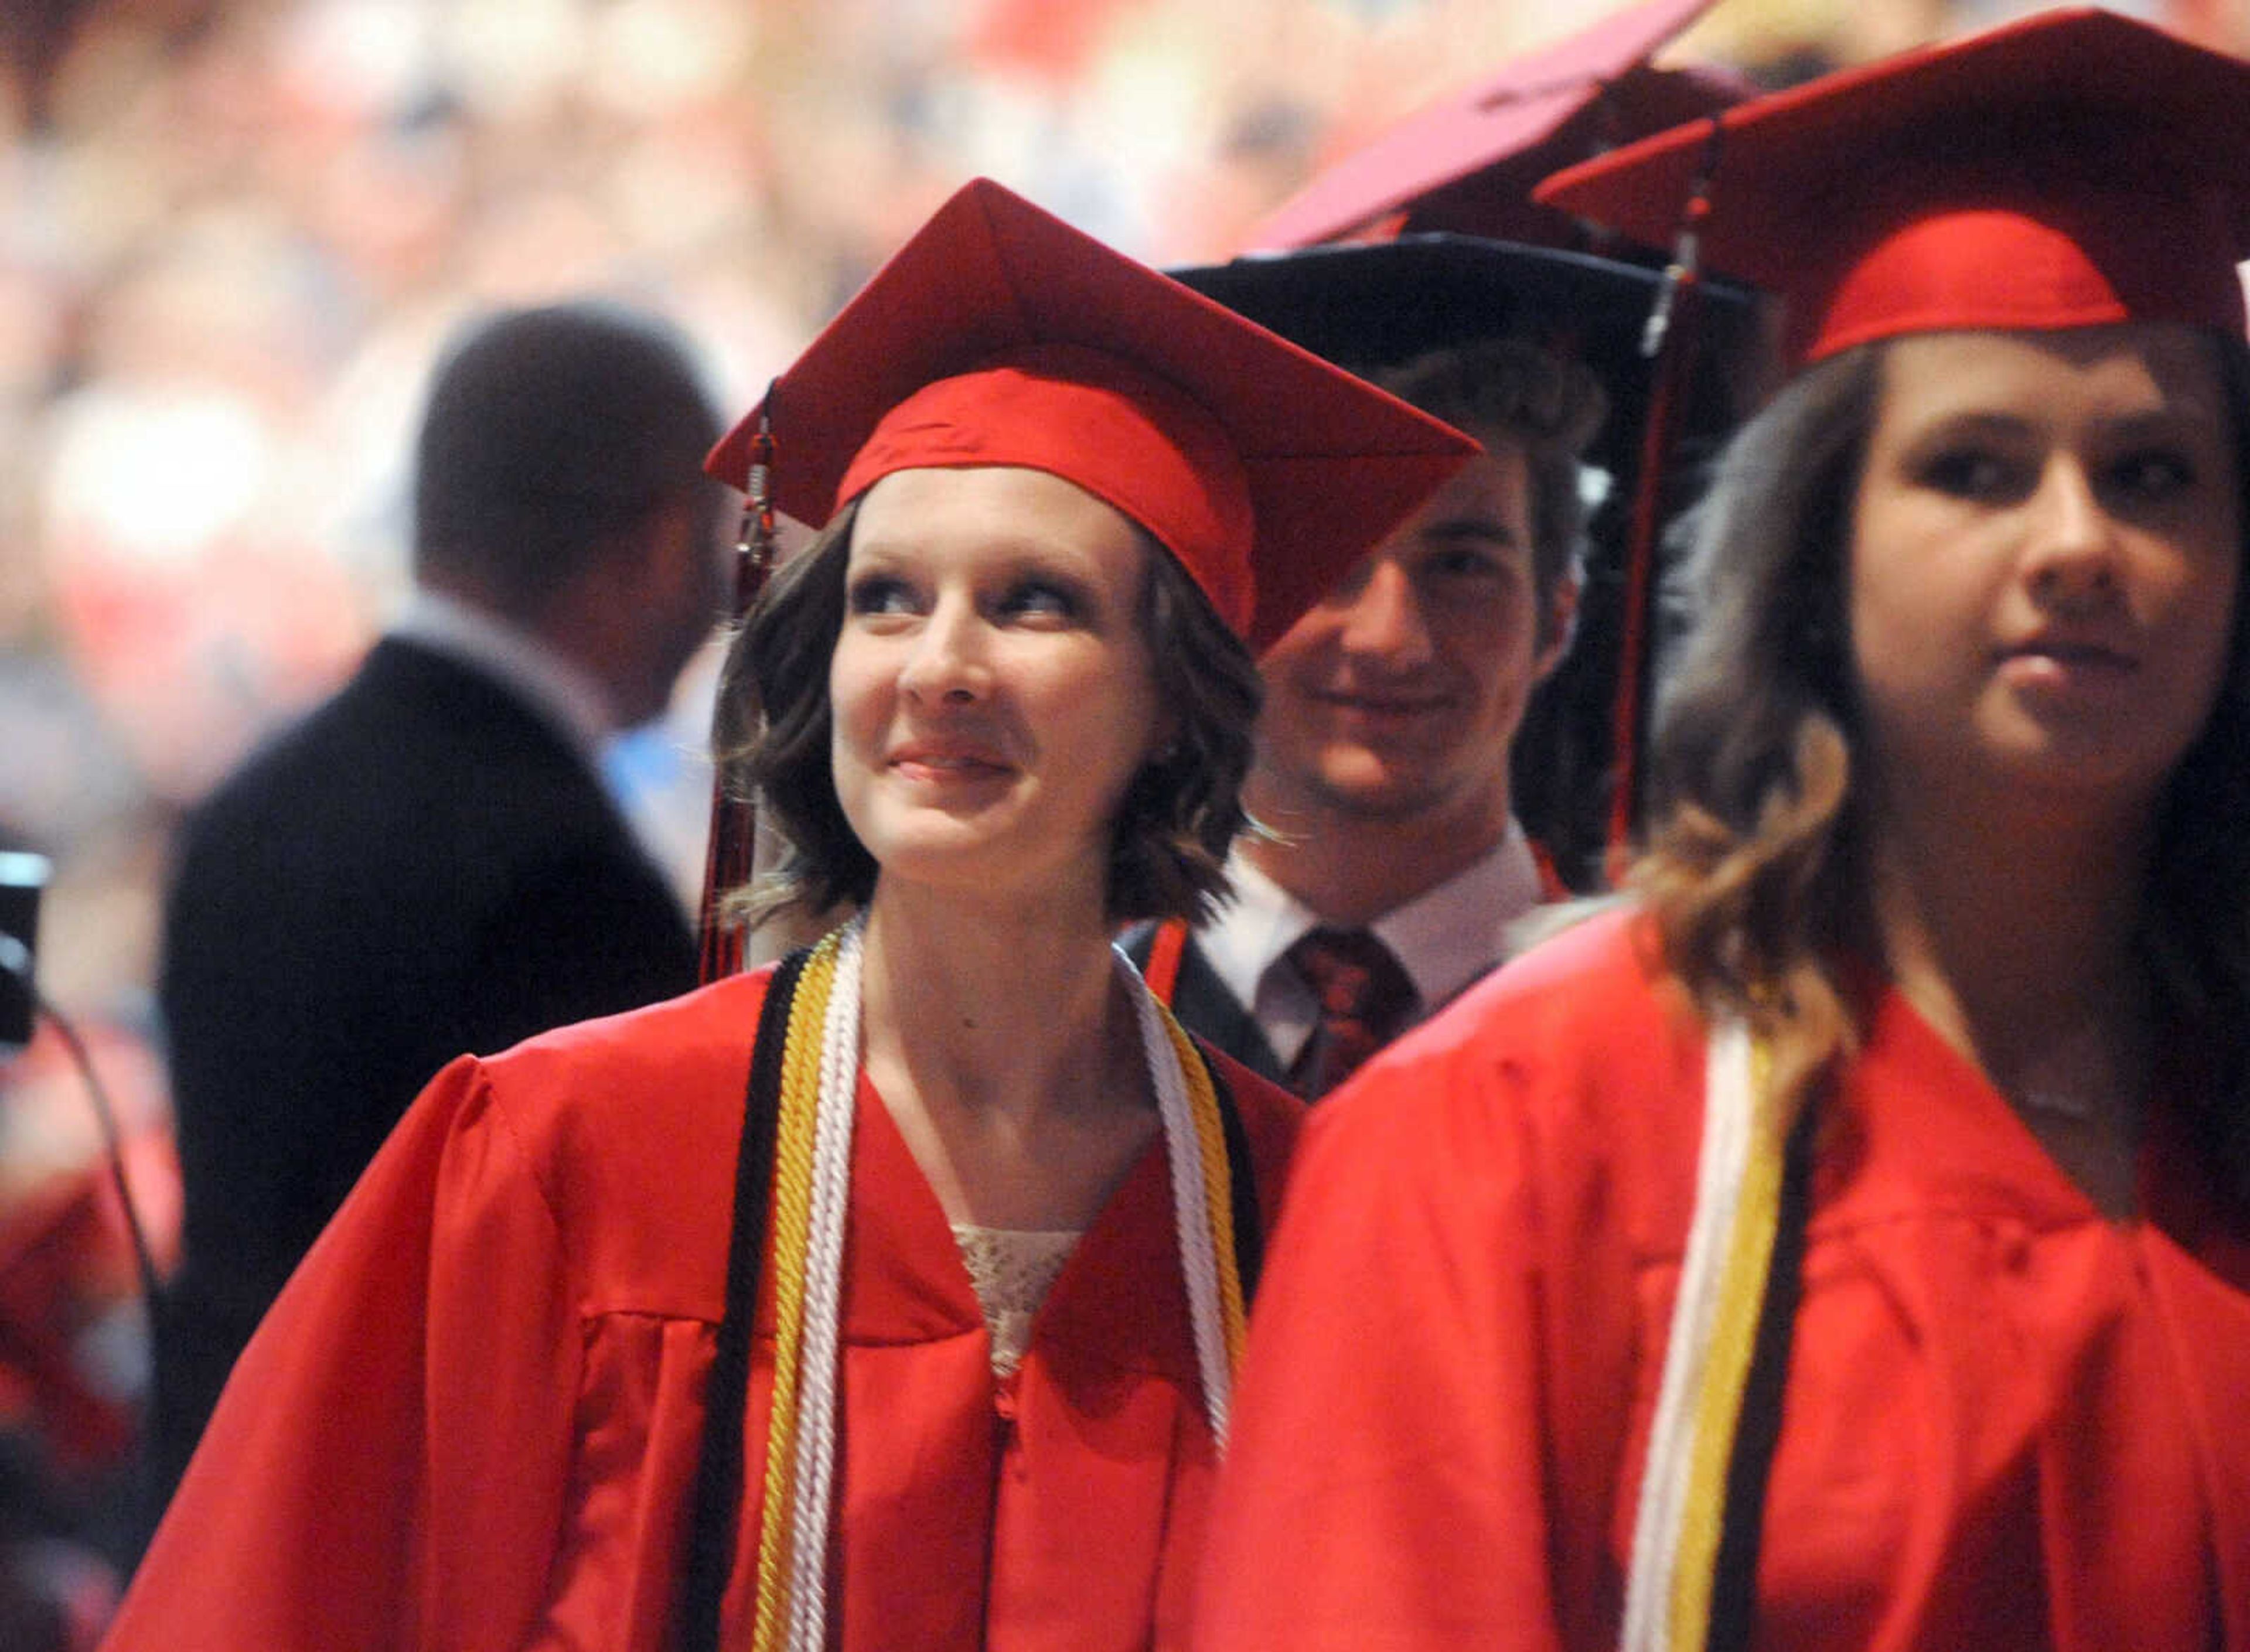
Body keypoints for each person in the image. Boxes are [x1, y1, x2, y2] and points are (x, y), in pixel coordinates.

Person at [101, 178, 1475, 1651]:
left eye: (1034, 602)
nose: (939, 665)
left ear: (1173, 701)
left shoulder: (1299, 1212)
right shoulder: (567, 1153)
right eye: (887, 598)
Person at [1194, 10, 2250, 1647]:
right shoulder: (1514, 1129)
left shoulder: (2215, 1097)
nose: (2077, 543)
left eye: (2159, 473)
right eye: (1971, 468)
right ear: (1816, 538)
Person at [148, 301, 727, 1513]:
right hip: (420, 1552)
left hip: (226, 1521)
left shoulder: (248, 803)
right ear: (661, 541)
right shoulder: (562, 874)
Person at [1124, 245, 1608, 1095]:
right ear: (1221, 601)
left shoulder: (1666, 1043)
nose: (1390, 638)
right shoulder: (1073, 1031)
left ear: (1559, 618)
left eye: (1461, 565)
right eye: (1330, 560)